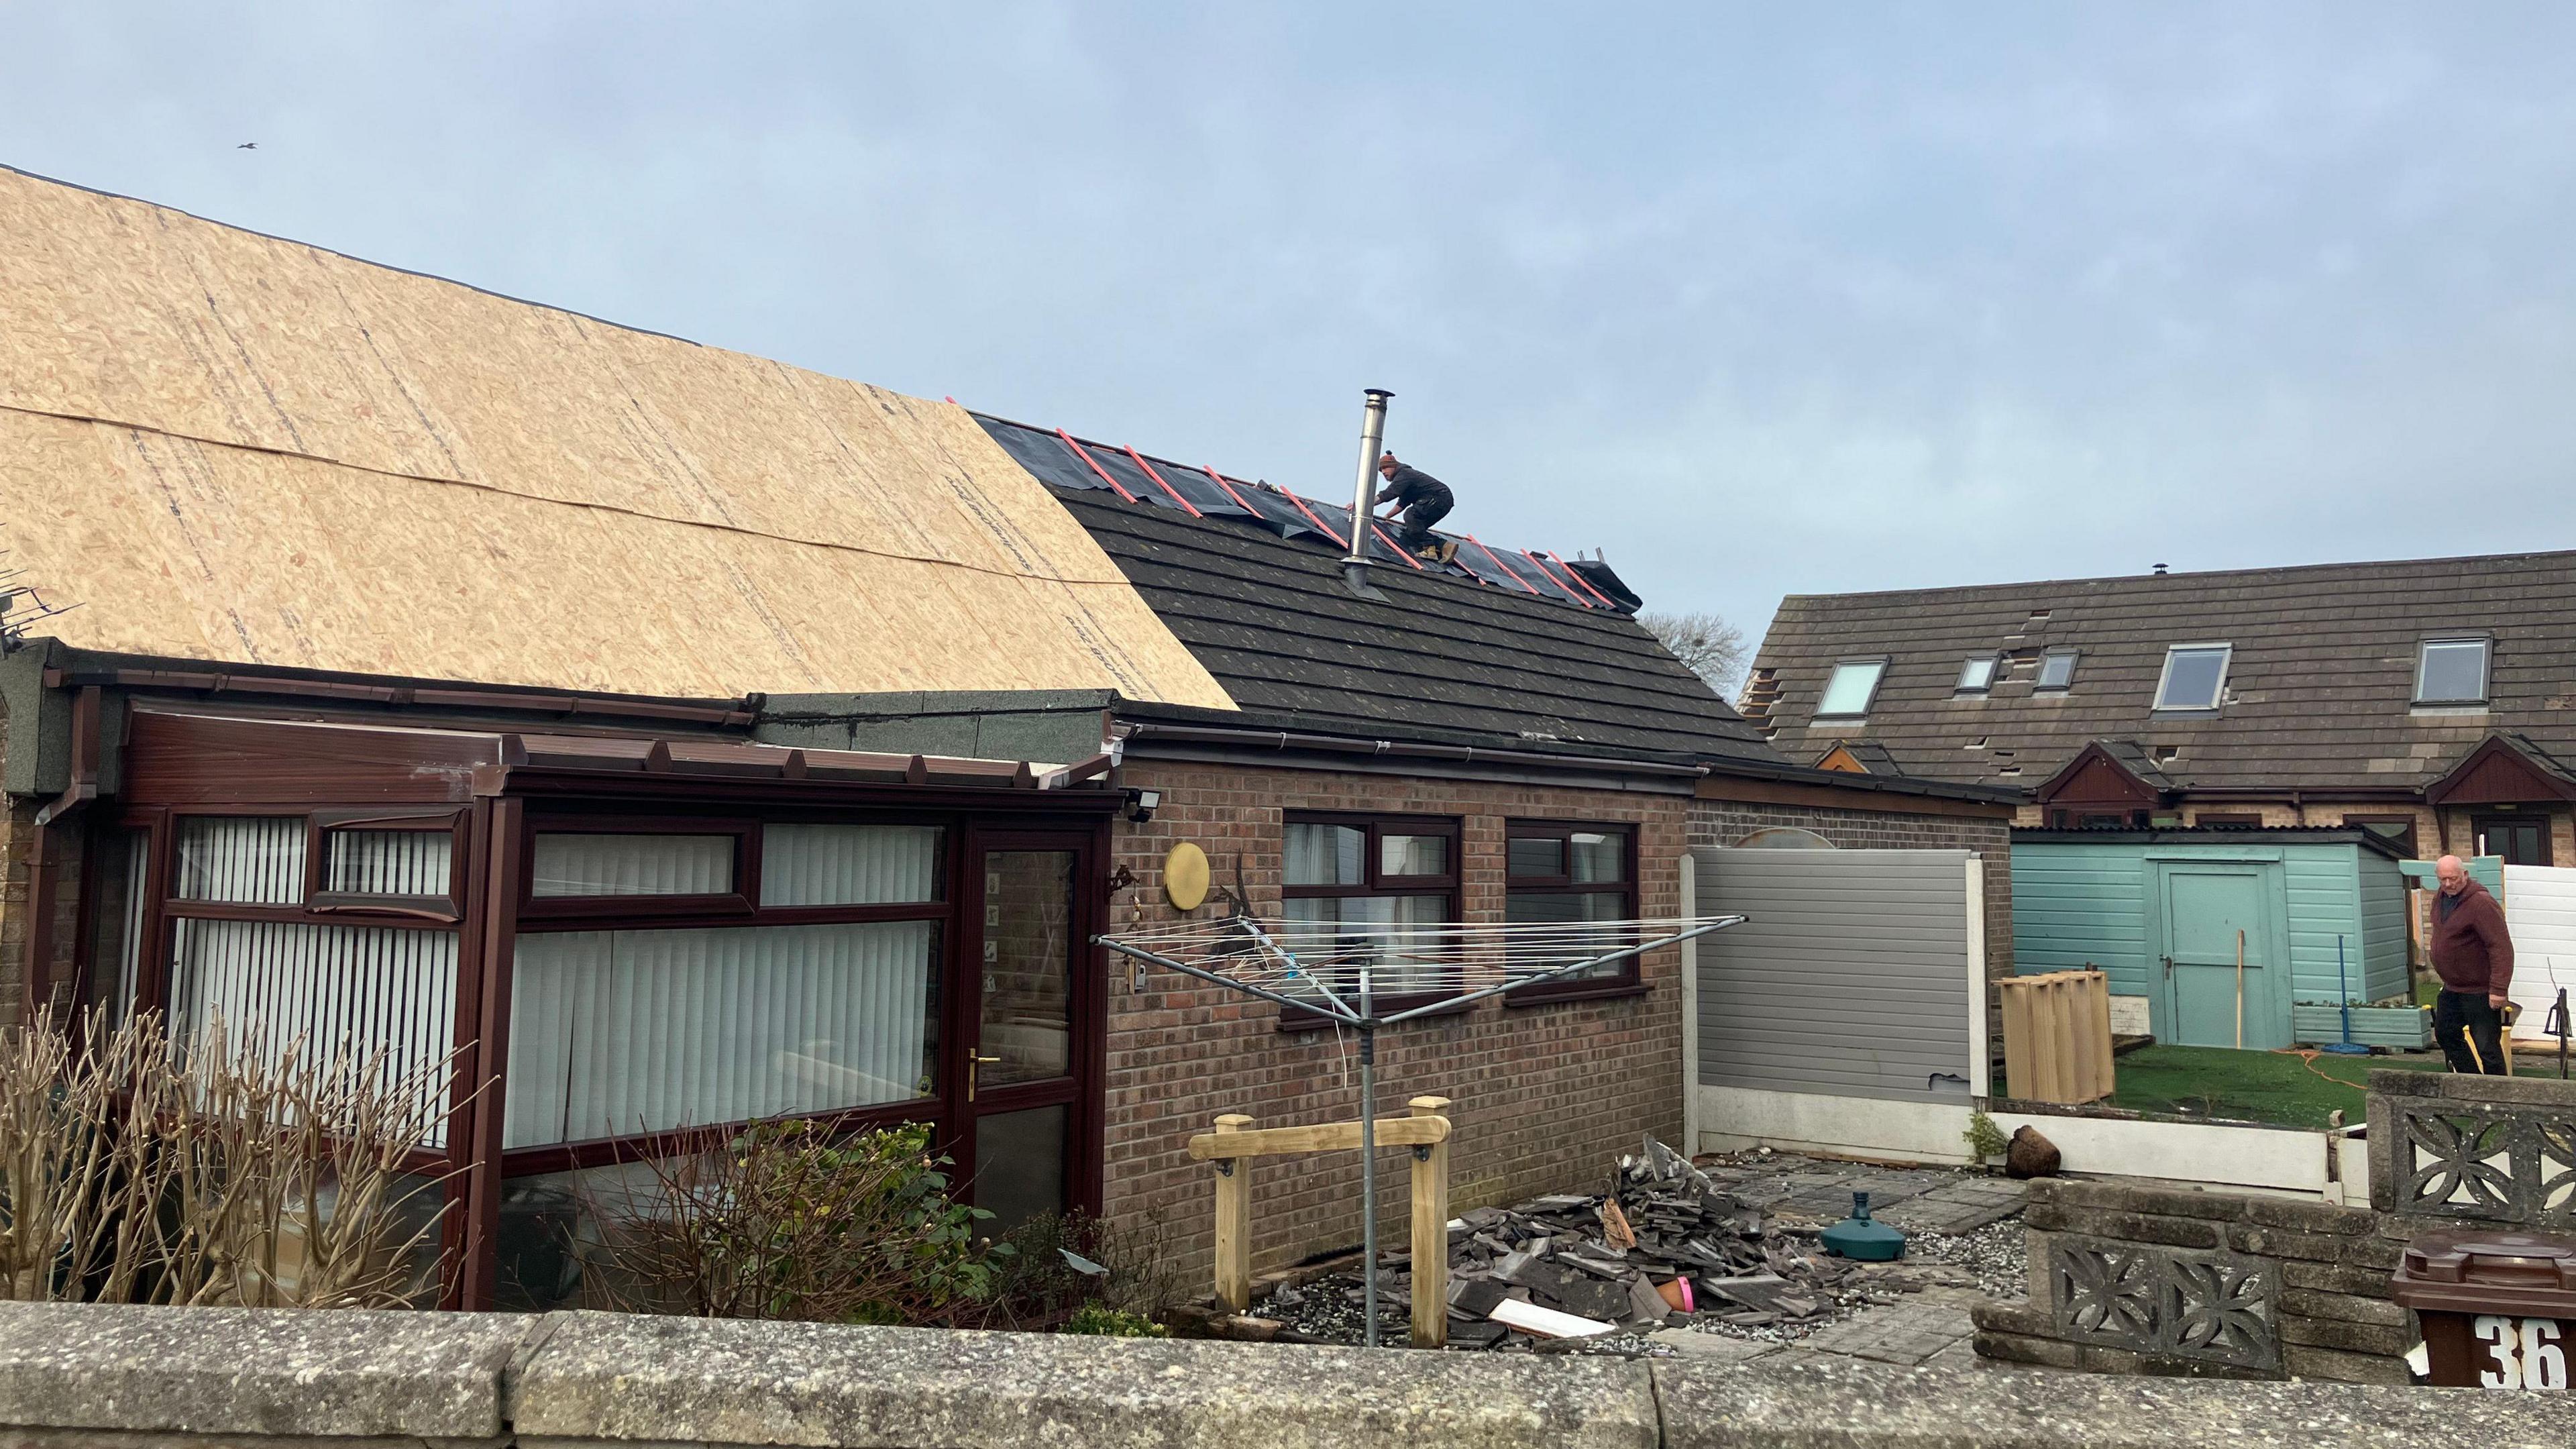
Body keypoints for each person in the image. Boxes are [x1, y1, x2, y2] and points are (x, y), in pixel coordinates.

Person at [2430, 855, 2514, 1075]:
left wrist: (2498, 989)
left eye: (2453, 878)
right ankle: (2472, 1083)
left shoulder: (2481, 903)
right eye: (2442, 879)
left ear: (2465, 875)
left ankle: (2499, 1097)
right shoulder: (2440, 898)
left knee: (2487, 1047)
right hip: (2452, 988)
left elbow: (2501, 948)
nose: (2448, 884)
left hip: (2480, 991)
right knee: (2446, 1035)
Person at [1372, 451, 1456, 561]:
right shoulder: (1405, 479)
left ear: (1394, 466)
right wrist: (1386, 517)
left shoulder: (1404, 474)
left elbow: (1389, 493)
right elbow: (1402, 503)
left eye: (1385, 468)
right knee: (1413, 530)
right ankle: (1444, 546)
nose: (1383, 472)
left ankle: (1429, 549)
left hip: (1438, 497)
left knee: (1411, 515)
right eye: (1381, 470)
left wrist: (1365, 504)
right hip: (1441, 502)